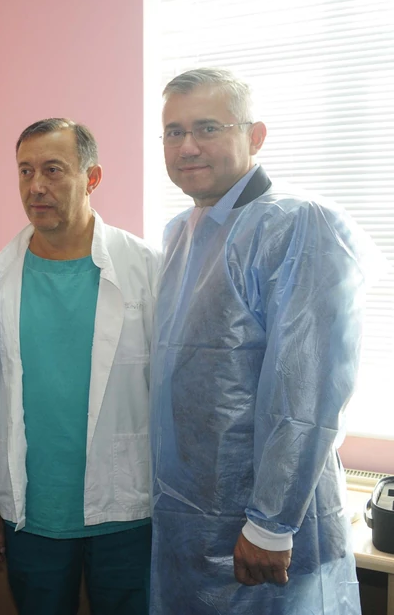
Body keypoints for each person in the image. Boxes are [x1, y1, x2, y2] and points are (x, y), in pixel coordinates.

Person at [150, 68, 379, 614]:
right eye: (174, 132)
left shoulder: (300, 225)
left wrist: (271, 524)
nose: (187, 146)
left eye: (207, 127)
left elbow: (308, 390)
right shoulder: (181, 232)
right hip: (188, 518)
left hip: (263, 530)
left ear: (255, 137)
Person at [0, 118, 160, 615]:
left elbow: (174, 395)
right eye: (25, 171)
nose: (36, 186)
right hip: (32, 515)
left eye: (53, 170)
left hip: (127, 509)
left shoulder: (146, 268)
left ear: (92, 178)